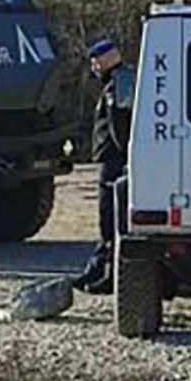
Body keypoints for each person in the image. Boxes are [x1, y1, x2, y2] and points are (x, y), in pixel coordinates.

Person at [74, 38, 133, 295]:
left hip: (114, 162)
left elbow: (119, 128)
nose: (94, 66)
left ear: (108, 58)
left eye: (96, 61)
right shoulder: (119, 82)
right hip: (112, 160)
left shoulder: (117, 87)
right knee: (106, 222)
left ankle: (109, 277)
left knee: (110, 220)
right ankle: (96, 269)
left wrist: (123, 160)